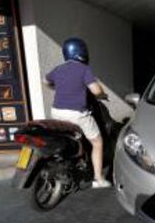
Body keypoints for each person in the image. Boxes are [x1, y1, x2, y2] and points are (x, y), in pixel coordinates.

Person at [44, 37, 111, 188]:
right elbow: (96, 90)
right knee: (97, 142)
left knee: (70, 135)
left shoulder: (59, 69)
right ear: (82, 52)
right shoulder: (84, 69)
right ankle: (98, 179)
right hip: (76, 114)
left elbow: (45, 81)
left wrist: (56, 88)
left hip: (56, 112)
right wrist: (103, 95)